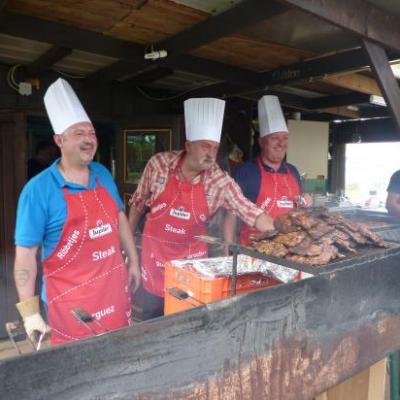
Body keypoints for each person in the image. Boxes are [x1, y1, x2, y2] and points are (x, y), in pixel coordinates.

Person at [14, 78, 140, 345]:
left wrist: (134, 259)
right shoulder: (38, 191)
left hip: (113, 292)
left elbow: (119, 218)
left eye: (91, 133)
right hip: (70, 302)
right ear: (59, 139)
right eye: (79, 133)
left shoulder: (103, 174)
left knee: (120, 358)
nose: (88, 140)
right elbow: (25, 255)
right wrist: (29, 314)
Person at [128, 98, 274, 320]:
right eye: (206, 146)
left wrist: (279, 233)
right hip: (153, 267)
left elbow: (250, 211)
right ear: (188, 146)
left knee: (185, 326)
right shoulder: (158, 165)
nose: (211, 154)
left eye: (215, 148)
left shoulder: (219, 182)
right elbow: (137, 206)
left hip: (191, 272)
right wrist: (127, 252)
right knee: (148, 324)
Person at [224, 95, 313, 245]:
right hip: (254, 250)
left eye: (285, 137)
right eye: (274, 138)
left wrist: (305, 200)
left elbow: (298, 208)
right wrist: (228, 249)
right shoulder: (245, 172)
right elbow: (230, 214)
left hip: (289, 248)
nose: (281, 143)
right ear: (261, 142)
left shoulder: (293, 171)